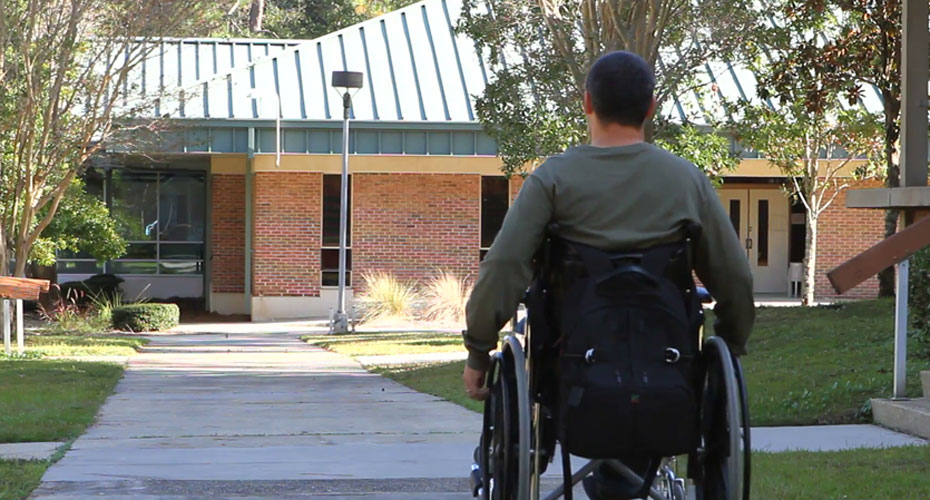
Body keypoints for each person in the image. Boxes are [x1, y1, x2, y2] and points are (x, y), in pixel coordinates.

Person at [461, 50, 755, 499]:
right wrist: (729, 345)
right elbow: (734, 279)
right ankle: (622, 479)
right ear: (651, 107)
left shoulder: (553, 179)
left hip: (569, 368)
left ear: (587, 103)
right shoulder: (686, 181)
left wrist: (479, 350)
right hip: (668, 365)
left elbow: (503, 267)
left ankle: (601, 474)